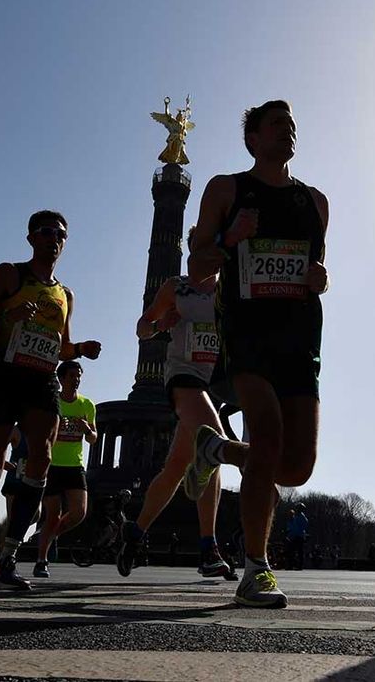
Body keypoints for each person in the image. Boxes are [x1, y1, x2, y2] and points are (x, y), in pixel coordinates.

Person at [185, 100, 330, 608]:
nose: (287, 130)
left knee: (295, 468)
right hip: (248, 335)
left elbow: (318, 270)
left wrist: (321, 277)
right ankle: (255, 569)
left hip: (300, 341)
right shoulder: (226, 189)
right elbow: (199, 267)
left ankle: (216, 450)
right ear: (252, 138)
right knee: (266, 436)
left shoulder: (315, 201)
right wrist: (230, 238)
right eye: (276, 124)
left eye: (292, 124)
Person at [0, 210, 102, 591]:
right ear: (31, 238)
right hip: (3, 378)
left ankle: (6, 560)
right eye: (46, 232)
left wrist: (80, 348)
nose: (53, 239)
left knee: (40, 457)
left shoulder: (65, 294)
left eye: (60, 234)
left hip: (42, 383)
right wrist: (6, 313)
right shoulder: (9, 274)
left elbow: (60, 348)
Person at [119, 245, 234, 580]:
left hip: (214, 385)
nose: (206, 260)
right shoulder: (175, 287)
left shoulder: (229, 286)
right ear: (189, 255)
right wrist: (159, 325)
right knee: (211, 443)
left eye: (213, 254)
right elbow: (143, 326)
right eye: (199, 252)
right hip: (183, 377)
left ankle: (134, 533)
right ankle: (208, 548)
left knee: (175, 469)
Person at [35, 360, 97, 578]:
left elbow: (93, 438)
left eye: (78, 375)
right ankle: (41, 560)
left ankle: (50, 538)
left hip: (74, 465)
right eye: (72, 375)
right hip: (52, 464)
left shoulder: (87, 405)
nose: (76, 379)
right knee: (52, 515)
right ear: (61, 379)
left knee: (79, 512)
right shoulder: (53, 403)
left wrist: (88, 429)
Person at [285, 504, 309, 571]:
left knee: (299, 552)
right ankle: (290, 565)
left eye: (298, 508)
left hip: (299, 536)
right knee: (291, 552)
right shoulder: (295, 517)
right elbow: (292, 527)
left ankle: (300, 566)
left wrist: (299, 532)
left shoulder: (302, 517)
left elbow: (304, 526)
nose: (297, 509)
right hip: (293, 537)